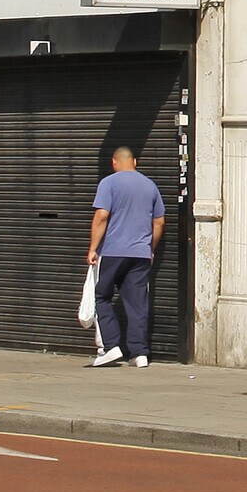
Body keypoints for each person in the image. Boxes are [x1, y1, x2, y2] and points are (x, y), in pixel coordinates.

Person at [87, 145, 165, 368]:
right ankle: (139, 353)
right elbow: (159, 222)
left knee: (102, 296)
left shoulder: (109, 183)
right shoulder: (150, 186)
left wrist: (93, 248)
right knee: (138, 303)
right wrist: (150, 247)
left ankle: (111, 347)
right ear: (135, 162)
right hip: (140, 254)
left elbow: (102, 216)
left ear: (114, 162)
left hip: (113, 251)